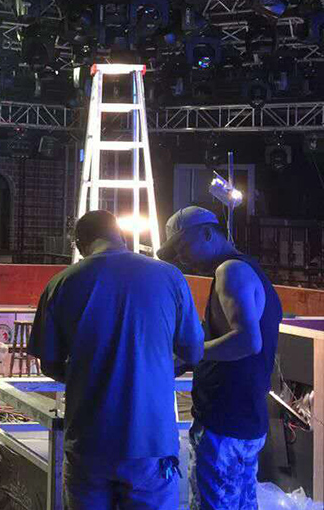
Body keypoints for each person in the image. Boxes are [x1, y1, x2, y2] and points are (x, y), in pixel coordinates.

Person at [28, 210, 205, 510]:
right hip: (151, 443)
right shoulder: (170, 277)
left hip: (89, 441)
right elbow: (194, 353)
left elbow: (50, 363)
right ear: (120, 235)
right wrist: (154, 370)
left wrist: (94, 373)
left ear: (80, 243)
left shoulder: (61, 283)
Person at [158, 206, 282, 510]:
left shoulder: (230, 271)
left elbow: (248, 341)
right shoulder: (249, 269)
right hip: (246, 417)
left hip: (224, 419)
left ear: (206, 233)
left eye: (182, 246)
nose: (180, 257)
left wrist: (193, 353)